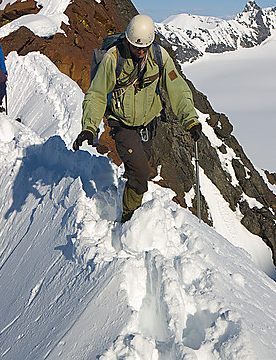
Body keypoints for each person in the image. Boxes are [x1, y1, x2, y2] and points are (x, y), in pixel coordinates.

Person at [72, 14, 202, 222]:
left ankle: (129, 193)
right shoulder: (113, 59)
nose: (141, 52)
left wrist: (190, 120)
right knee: (142, 172)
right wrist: (89, 127)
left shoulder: (160, 56)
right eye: (135, 47)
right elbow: (96, 94)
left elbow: (178, 89)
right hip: (121, 124)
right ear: (127, 40)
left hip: (148, 124)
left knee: (139, 168)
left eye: (145, 47)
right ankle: (128, 218)